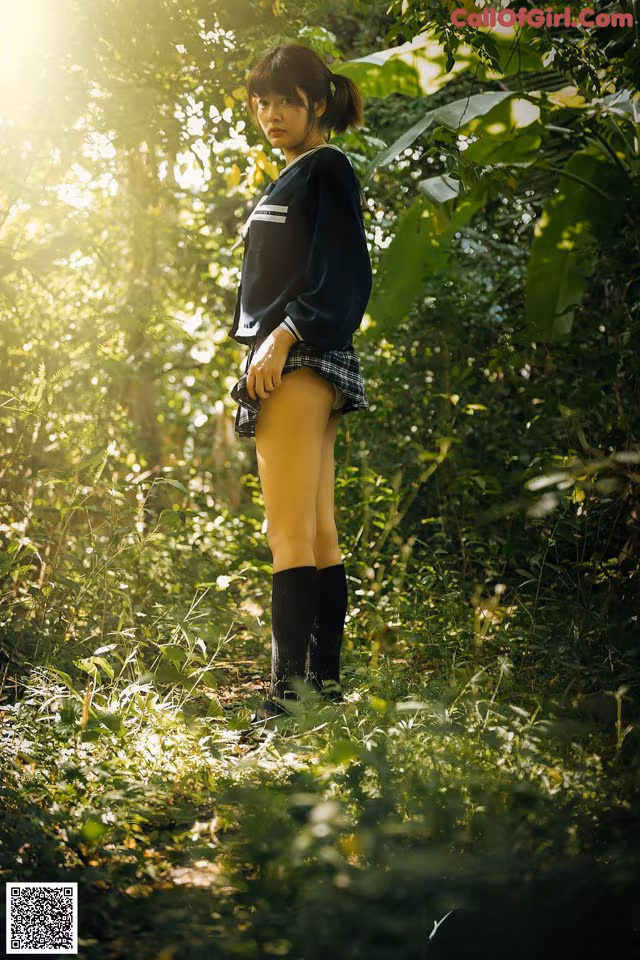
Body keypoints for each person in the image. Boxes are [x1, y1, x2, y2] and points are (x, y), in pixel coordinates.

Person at [227, 42, 372, 723]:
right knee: (315, 531)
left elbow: (342, 271)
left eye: (286, 100)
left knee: (288, 530)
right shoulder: (293, 175)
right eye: (262, 101)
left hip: (299, 357)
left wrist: (283, 337)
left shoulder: (325, 168)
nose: (271, 113)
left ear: (316, 103)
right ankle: (323, 691)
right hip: (299, 356)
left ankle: (286, 700)